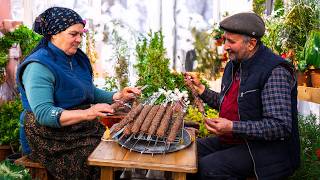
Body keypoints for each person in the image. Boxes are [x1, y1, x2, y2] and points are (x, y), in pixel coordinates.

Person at [16, 7, 140, 180]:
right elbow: (44, 114)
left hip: (79, 128)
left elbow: (85, 90)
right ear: (54, 34)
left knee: (116, 149)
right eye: (73, 34)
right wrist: (89, 112)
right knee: (98, 161)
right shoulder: (38, 66)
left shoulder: (75, 58)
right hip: (49, 135)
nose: (79, 39)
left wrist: (117, 96)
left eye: (81, 34)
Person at [185, 12, 300, 180]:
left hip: (268, 152)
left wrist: (232, 127)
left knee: (210, 168)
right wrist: (202, 89)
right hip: (236, 141)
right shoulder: (235, 65)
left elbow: (279, 126)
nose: (225, 46)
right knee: (189, 153)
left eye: (231, 41)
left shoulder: (274, 71)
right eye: (224, 40)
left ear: (252, 44)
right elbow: (233, 104)